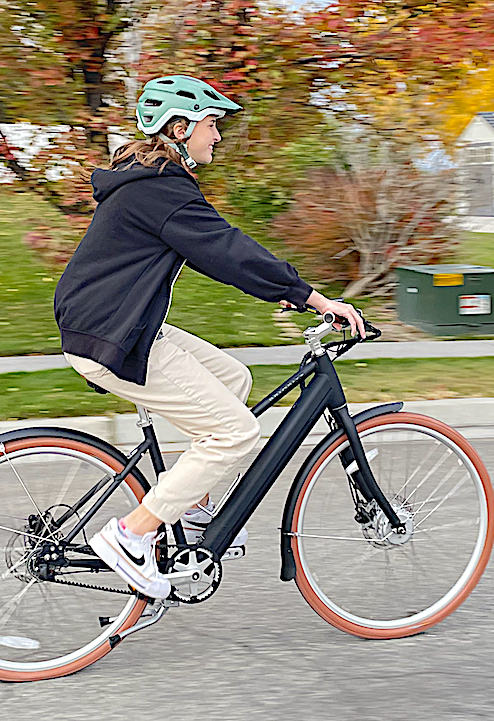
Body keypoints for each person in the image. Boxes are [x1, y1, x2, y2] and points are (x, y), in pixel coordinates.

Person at [54, 75, 363, 599]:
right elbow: (225, 248)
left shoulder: (148, 179)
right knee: (236, 433)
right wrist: (313, 298)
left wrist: (279, 291)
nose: (217, 136)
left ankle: (191, 509)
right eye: (211, 124)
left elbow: (219, 252)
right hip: (112, 334)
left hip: (116, 323)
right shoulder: (160, 188)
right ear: (178, 128)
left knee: (233, 378)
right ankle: (129, 535)